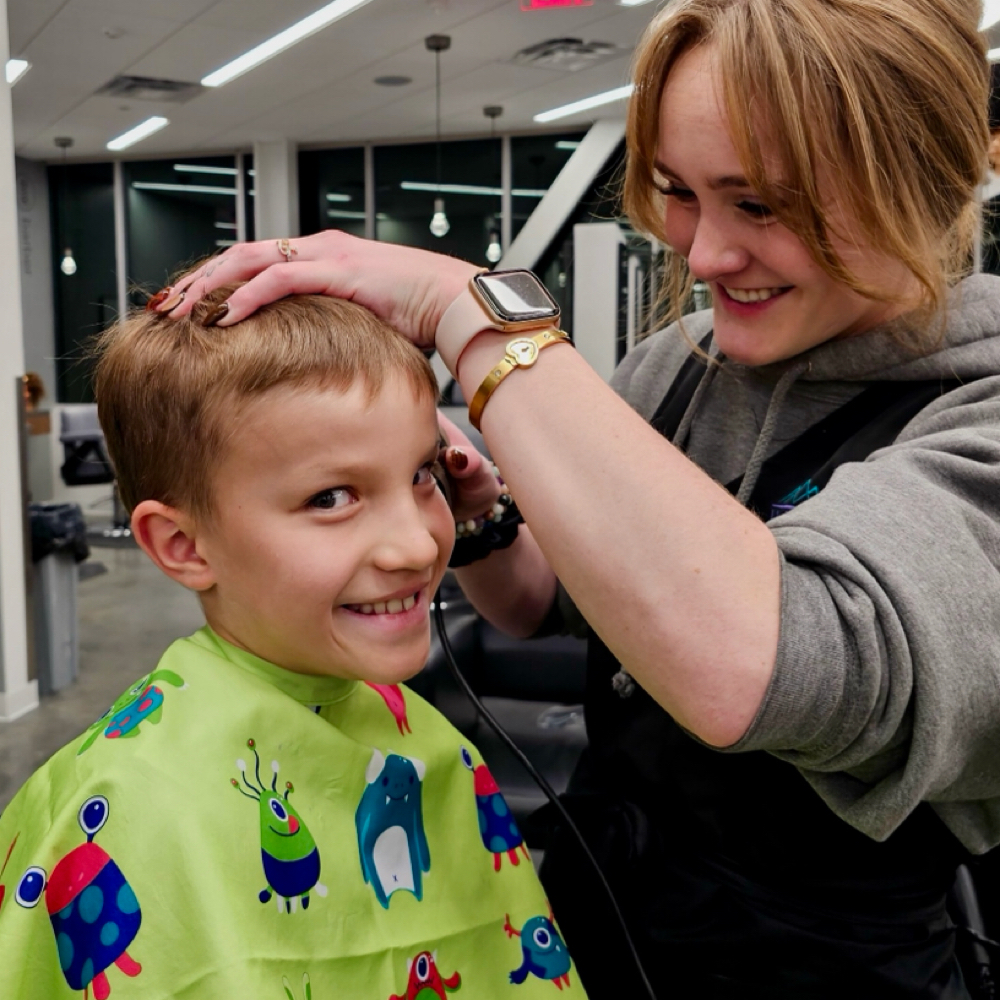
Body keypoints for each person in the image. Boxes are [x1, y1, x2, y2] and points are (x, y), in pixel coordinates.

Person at [159, 1, 1000, 996]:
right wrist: (481, 521)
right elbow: (541, 603)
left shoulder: (973, 409)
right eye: (679, 193)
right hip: (600, 911)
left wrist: (468, 314)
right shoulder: (677, 369)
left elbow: (769, 669)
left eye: (762, 206)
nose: (703, 255)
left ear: (929, 179)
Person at [0, 284, 583, 998]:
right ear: (183, 544)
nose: (414, 544)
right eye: (331, 497)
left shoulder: (433, 744)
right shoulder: (124, 801)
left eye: (421, 474)